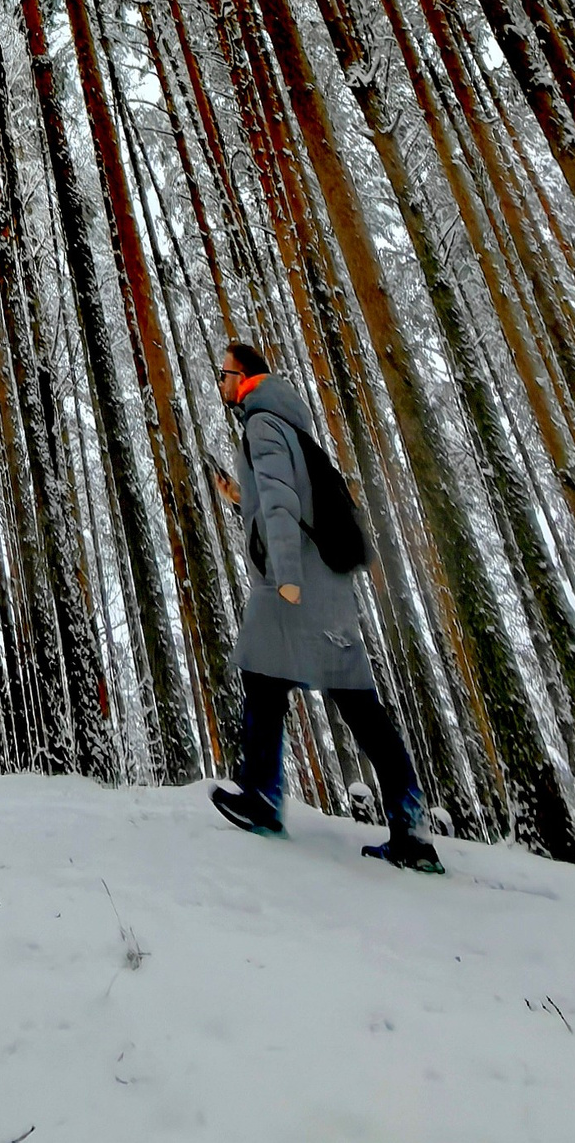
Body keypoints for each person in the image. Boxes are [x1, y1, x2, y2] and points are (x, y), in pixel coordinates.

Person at [206, 340, 443, 873]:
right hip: (326, 585)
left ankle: (262, 798)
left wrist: (286, 576)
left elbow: (282, 500)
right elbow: (283, 496)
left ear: (244, 377)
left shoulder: (261, 423)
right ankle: (411, 829)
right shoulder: (289, 425)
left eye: (223, 373)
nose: (220, 382)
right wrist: (240, 498)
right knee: (356, 703)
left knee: (263, 678)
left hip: (295, 584)